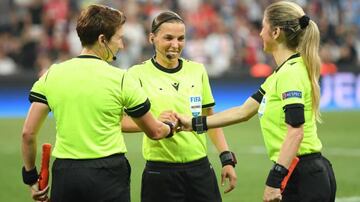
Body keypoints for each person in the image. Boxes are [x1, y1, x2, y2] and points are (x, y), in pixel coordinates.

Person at [176, 1, 336, 202]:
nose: (260, 33)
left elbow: (296, 132)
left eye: (263, 26)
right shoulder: (281, 74)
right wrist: (193, 123)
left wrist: (274, 180)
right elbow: (242, 112)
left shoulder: (290, 74)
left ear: (276, 32)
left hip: (302, 176)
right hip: (304, 172)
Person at [21, 5, 177, 202]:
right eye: (119, 38)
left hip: (66, 173)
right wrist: (171, 126)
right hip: (108, 173)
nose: (121, 45)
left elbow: (28, 133)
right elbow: (154, 132)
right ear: (102, 39)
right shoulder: (121, 78)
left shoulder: (52, 74)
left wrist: (31, 178)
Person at [121, 11, 237, 202]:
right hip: (160, 172)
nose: (175, 44)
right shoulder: (136, 74)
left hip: (200, 170)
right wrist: (152, 124)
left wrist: (226, 159)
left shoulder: (197, 70)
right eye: (168, 38)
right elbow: (120, 122)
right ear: (152, 38)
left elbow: (209, 118)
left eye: (181, 38)